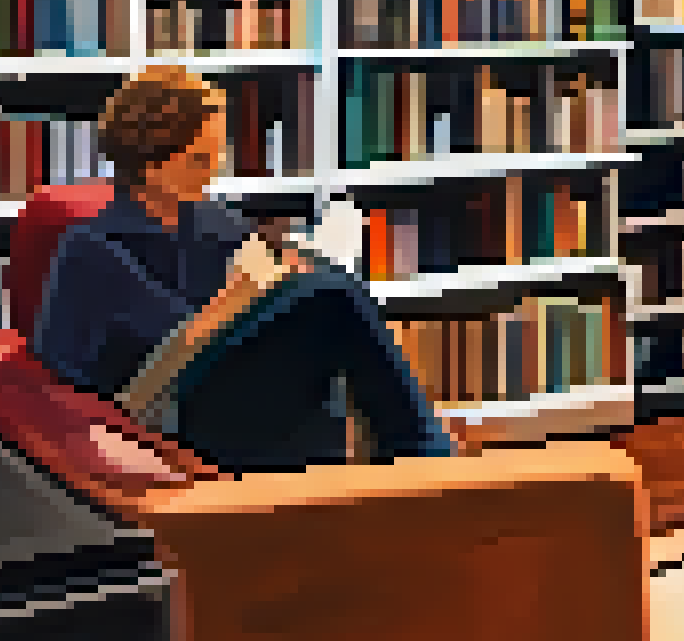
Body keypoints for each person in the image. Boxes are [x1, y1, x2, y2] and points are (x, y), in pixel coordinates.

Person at [32, 65, 461, 475]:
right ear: (151, 160)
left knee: (331, 286)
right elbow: (93, 372)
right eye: (199, 159)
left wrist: (289, 269)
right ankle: (422, 452)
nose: (212, 171)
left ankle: (404, 454)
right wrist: (236, 299)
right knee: (331, 297)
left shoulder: (209, 218)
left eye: (217, 156)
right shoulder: (94, 248)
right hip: (168, 406)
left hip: (228, 379)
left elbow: (261, 280)